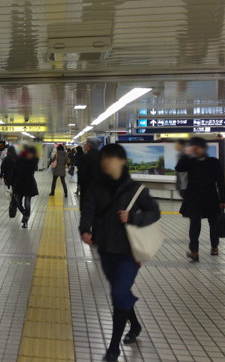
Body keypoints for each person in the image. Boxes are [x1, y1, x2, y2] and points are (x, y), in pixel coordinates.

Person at [80, 144, 161, 362]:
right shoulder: (97, 187)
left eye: (111, 159)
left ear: (122, 162)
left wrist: (133, 217)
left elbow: (155, 212)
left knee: (118, 292)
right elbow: (88, 208)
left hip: (128, 252)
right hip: (106, 248)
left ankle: (113, 349)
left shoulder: (135, 189)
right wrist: (85, 229)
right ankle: (134, 325)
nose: (107, 163)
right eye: (104, 159)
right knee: (120, 292)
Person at [176, 136, 225, 260]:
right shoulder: (191, 161)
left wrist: (223, 200)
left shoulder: (213, 162)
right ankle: (194, 251)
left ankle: (214, 246)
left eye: (196, 148)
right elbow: (179, 168)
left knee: (213, 224)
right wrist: (186, 153)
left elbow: (220, 181)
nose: (195, 150)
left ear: (203, 148)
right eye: (193, 148)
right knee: (194, 224)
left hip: (211, 198)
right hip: (194, 198)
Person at [12, 146, 39, 229]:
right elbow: (14, 172)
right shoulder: (19, 160)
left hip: (29, 185)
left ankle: (25, 220)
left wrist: (34, 158)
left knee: (27, 203)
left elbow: (35, 168)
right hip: (19, 185)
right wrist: (11, 184)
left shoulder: (32, 162)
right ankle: (25, 214)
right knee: (19, 204)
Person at [78, 136, 102, 200]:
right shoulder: (104, 157)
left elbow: (82, 176)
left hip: (87, 190)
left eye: (86, 144)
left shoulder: (84, 158)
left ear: (88, 145)